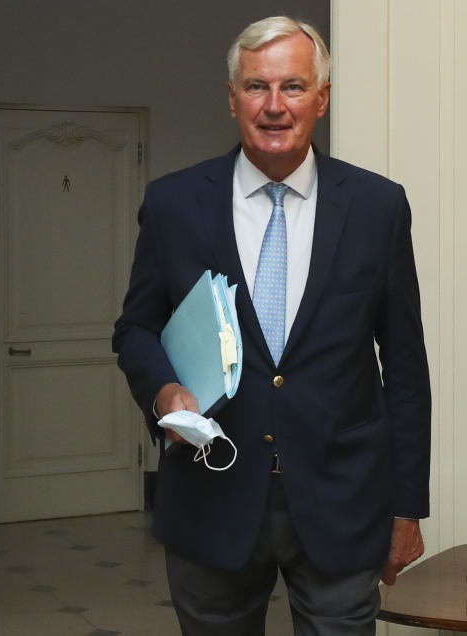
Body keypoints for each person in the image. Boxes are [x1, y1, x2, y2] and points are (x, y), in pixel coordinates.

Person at [113, 16, 430, 635]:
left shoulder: (378, 207)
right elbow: (135, 329)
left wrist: (407, 506)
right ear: (232, 99)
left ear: (322, 97)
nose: (275, 106)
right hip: (212, 494)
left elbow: (406, 366)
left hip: (342, 500)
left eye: (293, 86)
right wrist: (164, 392)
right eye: (257, 87)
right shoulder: (175, 204)